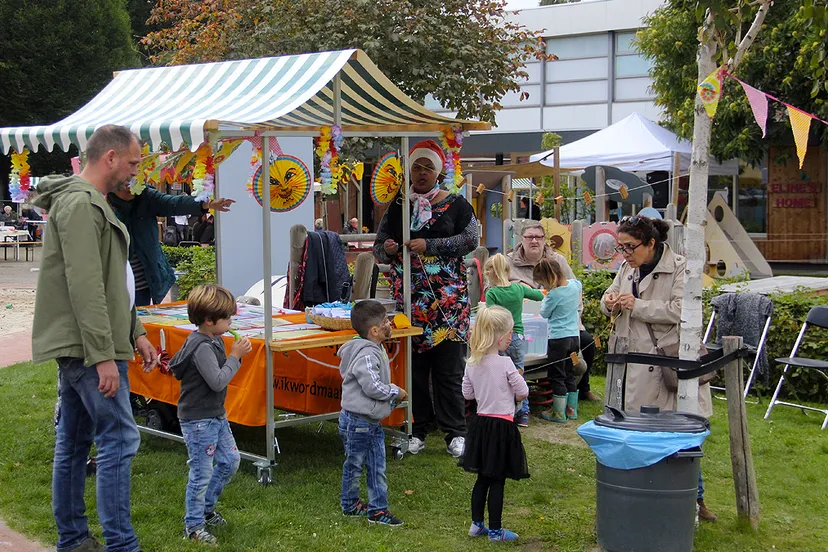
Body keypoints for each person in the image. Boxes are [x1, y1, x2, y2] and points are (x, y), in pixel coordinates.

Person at [31, 124, 159, 552]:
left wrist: (136, 332)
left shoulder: (87, 202)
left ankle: (74, 539)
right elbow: (85, 286)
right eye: (133, 162)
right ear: (110, 158)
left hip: (87, 344)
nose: (135, 171)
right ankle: (121, 545)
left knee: (74, 441)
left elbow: (111, 281)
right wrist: (104, 355)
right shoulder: (82, 205)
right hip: (88, 348)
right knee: (120, 439)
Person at [600, 215, 716, 521]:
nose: (624, 254)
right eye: (620, 247)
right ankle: (643, 495)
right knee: (640, 433)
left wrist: (637, 306)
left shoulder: (680, 267)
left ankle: (694, 498)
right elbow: (609, 295)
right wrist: (609, 301)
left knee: (679, 436)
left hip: (669, 363)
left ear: (651, 243)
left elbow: (684, 310)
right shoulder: (627, 266)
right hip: (634, 363)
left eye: (630, 247)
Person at [373, 139, 478, 458]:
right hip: (410, 300)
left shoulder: (457, 204)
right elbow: (379, 247)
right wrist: (390, 250)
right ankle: (417, 429)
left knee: (448, 368)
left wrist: (429, 246)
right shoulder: (398, 205)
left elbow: (471, 240)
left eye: (427, 168)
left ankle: (455, 432)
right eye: (416, 167)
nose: (421, 173)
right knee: (414, 368)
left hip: (448, 303)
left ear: (439, 171)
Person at [169, 284, 252, 544]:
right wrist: (235, 357)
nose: (231, 322)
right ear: (208, 320)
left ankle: (206, 509)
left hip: (215, 414)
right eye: (227, 318)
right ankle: (193, 527)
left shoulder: (213, 338)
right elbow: (217, 381)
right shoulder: (202, 346)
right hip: (198, 421)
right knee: (201, 472)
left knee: (229, 462)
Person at [507, 222, 600, 402]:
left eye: (538, 237)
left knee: (587, 341)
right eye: (529, 237)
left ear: (544, 240)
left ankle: (583, 388)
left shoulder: (558, 260)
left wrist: (574, 321)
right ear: (522, 240)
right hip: (523, 322)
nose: (534, 241)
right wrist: (517, 286)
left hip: (559, 322)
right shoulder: (508, 262)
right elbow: (494, 286)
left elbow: (575, 293)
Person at [335, 300, 408, 526]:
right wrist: (396, 392)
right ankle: (372, 509)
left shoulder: (373, 348)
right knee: (360, 464)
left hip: (367, 420)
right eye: (386, 321)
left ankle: (356, 505)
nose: (390, 324)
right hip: (359, 422)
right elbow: (372, 387)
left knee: (369, 464)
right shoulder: (367, 354)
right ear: (374, 331)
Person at [461, 306, 529, 543]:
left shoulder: (472, 363)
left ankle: (476, 524)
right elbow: (523, 392)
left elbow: (467, 394)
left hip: (481, 426)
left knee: (482, 477)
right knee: (497, 479)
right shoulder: (506, 363)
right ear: (500, 338)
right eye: (510, 334)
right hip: (502, 426)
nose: (511, 337)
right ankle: (496, 530)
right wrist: (514, 381)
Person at [108, 187, 234, 306]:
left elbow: (174, 203)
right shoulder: (102, 199)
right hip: (111, 280)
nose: (131, 182)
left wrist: (207, 204)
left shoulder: (146, 196)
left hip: (141, 284)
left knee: (137, 321)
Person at [483, 253, 544, 427]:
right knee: (518, 374)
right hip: (517, 336)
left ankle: (504, 410)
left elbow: (490, 317)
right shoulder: (518, 289)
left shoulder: (492, 293)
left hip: (498, 339)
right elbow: (540, 297)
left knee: (500, 375)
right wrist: (525, 288)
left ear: (491, 274)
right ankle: (523, 413)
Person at [534, 258, 583, 423]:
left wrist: (546, 296)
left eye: (543, 283)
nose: (543, 287)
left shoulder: (553, 295)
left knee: (557, 375)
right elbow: (578, 284)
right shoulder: (575, 286)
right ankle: (571, 410)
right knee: (569, 373)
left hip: (558, 339)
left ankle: (558, 413)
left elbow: (544, 313)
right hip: (574, 337)